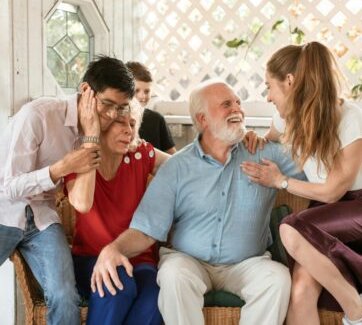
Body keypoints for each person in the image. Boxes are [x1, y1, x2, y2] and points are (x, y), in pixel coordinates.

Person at [89, 79, 308, 325]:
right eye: (227, 104)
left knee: (277, 279)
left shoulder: (264, 153)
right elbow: (146, 229)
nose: (237, 109)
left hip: (248, 263)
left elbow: (317, 166)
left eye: (238, 103)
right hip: (189, 261)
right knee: (172, 275)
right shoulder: (177, 167)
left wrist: (282, 166)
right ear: (203, 119)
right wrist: (114, 249)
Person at [241, 42, 362, 325]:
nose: (268, 96)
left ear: (290, 82)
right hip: (329, 216)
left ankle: (359, 313)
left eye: (269, 87)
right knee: (299, 291)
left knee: (290, 229)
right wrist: (252, 136)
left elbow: (333, 192)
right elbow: (269, 136)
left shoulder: (352, 119)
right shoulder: (287, 119)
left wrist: (281, 181)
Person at [0, 55, 134, 324]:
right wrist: (58, 169)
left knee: (64, 297)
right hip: (5, 210)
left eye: (120, 108)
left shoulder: (100, 132)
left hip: (42, 218)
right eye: (107, 104)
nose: (111, 115)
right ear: (86, 90)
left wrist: (92, 136)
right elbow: (10, 187)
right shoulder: (39, 115)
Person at [65, 100, 169, 325]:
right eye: (120, 122)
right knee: (118, 285)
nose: (128, 130)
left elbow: (181, 166)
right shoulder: (81, 158)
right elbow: (79, 202)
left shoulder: (140, 154)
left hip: (140, 259)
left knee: (157, 299)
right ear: (102, 126)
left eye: (132, 124)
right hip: (89, 258)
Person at [125, 61, 177, 154]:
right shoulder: (118, 120)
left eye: (147, 91)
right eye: (136, 90)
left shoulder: (157, 119)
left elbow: (172, 156)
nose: (142, 96)